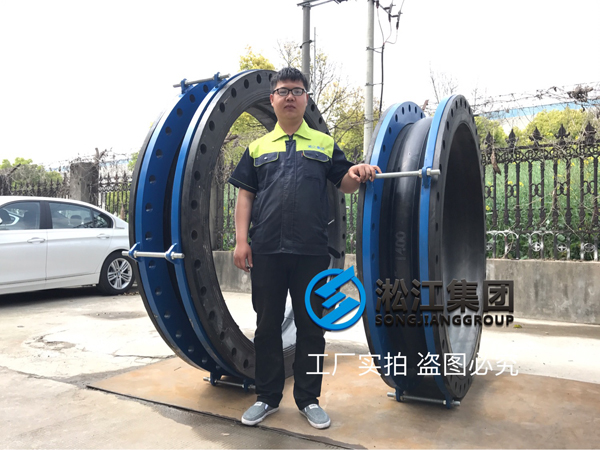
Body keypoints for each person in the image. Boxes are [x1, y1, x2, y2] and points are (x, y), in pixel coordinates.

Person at [228, 67, 380, 430]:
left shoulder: (324, 144)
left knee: (312, 327)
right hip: (267, 251)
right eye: (283, 91)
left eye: (297, 91)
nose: (290, 97)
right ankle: (267, 397)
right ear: (272, 99)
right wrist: (241, 240)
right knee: (267, 326)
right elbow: (245, 196)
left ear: (306, 99)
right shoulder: (257, 148)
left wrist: (357, 172)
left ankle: (309, 399)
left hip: (311, 252)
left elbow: (344, 184)